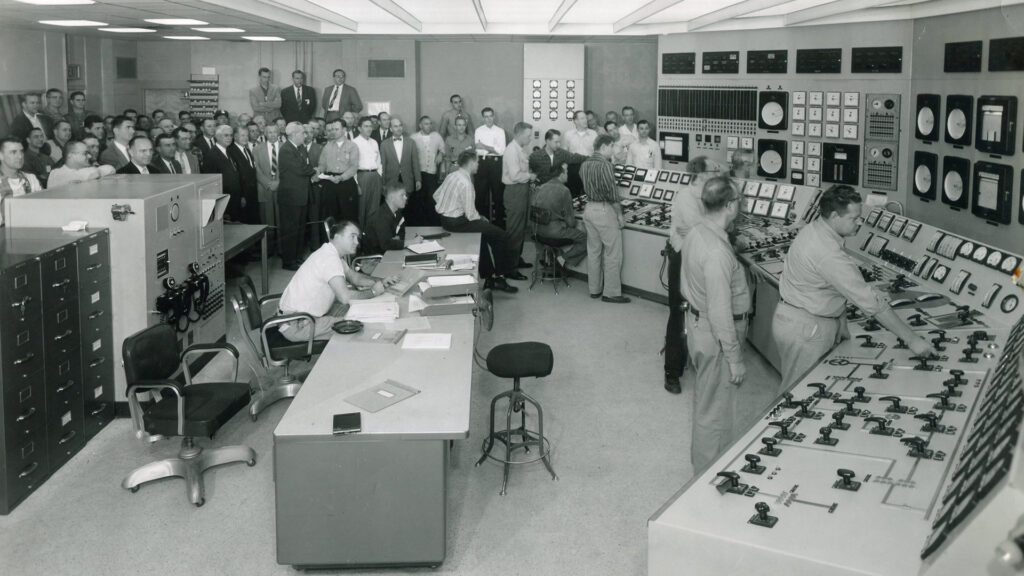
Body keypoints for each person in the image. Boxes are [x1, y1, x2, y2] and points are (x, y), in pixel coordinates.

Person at [772, 185, 937, 393]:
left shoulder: (815, 229)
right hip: (807, 329)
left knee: (807, 388)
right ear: (834, 216)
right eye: (854, 218)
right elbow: (871, 302)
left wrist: (839, 324)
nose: (859, 223)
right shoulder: (827, 252)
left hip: (795, 318)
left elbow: (830, 287)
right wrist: (913, 340)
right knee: (798, 393)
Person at [681, 176, 752, 471]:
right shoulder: (718, 253)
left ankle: (707, 469)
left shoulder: (698, 232)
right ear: (731, 205)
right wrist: (734, 358)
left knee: (708, 402)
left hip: (699, 327)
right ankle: (707, 478)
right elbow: (721, 312)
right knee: (716, 413)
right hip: (718, 336)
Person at [277, 219, 399, 342]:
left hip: (305, 316)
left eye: (358, 238)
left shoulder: (331, 254)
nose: (357, 242)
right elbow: (344, 297)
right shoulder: (329, 259)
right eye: (352, 237)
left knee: (361, 309)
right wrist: (373, 292)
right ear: (337, 237)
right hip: (299, 323)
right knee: (362, 326)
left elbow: (355, 278)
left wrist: (381, 281)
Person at [434, 150, 518, 294]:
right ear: (471, 163)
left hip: (445, 220)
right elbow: (471, 215)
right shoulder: (467, 183)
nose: (479, 165)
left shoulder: (452, 175)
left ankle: (490, 278)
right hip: (458, 223)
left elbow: (435, 195)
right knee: (502, 235)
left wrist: (451, 208)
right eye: (477, 162)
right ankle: (500, 277)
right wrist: (482, 219)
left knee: (484, 236)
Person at [664, 156, 714, 394]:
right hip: (683, 258)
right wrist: (707, 227)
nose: (716, 173)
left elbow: (710, 228)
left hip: (702, 258)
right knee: (678, 312)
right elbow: (700, 229)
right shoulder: (686, 196)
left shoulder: (709, 196)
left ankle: (695, 360)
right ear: (701, 174)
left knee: (700, 312)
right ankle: (671, 372)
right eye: (712, 170)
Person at [581, 134, 628, 304]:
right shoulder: (606, 166)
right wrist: (620, 215)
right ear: (604, 147)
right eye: (612, 147)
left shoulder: (584, 164)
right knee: (613, 253)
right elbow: (612, 194)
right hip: (604, 210)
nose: (613, 150)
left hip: (589, 209)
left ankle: (594, 289)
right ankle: (611, 293)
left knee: (593, 252)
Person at [278, 121, 318, 270]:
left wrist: (311, 169)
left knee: (300, 229)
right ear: (294, 135)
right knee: (290, 230)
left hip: (301, 196)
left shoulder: (299, 148)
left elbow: (306, 165)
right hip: (291, 198)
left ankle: (297, 257)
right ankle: (288, 261)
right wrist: (314, 171)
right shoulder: (286, 150)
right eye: (302, 133)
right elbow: (301, 168)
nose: (305, 135)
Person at [530, 163, 587, 267]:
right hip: (554, 233)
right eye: (567, 173)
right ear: (561, 175)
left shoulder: (540, 187)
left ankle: (545, 256)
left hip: (536, 231)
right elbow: (570, 222)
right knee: (586, 239)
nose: (568, 175)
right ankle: (561, 259)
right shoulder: (564, 190)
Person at [501, 121, 536, 272]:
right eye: (528, 136)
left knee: (521, 228)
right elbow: (515, 175)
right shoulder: (511, 150)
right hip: (514, 191)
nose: (530, 139)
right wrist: (531, 176)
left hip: (522, 190)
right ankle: (510, 267)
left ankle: (516, 259)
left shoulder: (520, 149)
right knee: (514, 228)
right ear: (520, 134)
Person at [317, 118, 360, 229]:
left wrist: (341, 177)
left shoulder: (352, 146)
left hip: (346, 184)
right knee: (331, 216)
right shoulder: (327, 146)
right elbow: (322, 164)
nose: (333, 132)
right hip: (330, 184)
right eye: (332, 129)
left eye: (337, 129)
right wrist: (319, 171)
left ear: (344, 129)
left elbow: (354, 167)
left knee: (348, 216)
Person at [380, 116, 421, 223]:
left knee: (408, 208)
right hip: (391, 180)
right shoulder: (384, 144)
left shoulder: (410, 142)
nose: (398, 128)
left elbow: (415, 162)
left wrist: (418, 179)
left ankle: (408, 231)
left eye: (400, 126)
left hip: (407, 179)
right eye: (395, 126)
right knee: (393, 208)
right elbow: (382, 165)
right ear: (391, 129)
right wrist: (382, 183)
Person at [200, 125, 244, 220]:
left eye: (231, 135)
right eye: (226, 135)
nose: (229, 138)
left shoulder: (229, 151)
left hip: (234, 200)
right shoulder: (211, 155)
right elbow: (210, 184)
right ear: (218, 136)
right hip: (223, 203)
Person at [473, 107, 506, 225]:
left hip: (496, 164)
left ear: (494, 116)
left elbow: (501, 151)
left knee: (498, 195)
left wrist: (485, 147)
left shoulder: (500, 131)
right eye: (486, 117)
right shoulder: (478, 130)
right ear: (483, 118)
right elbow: (478, 149)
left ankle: (499, 224)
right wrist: (492, 148)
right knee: (480, 195)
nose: (488, 119)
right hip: (482, 163)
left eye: (490, 116)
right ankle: (482, 224)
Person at [410, 115, 445, 226]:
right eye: (426, 123)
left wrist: (440, 153)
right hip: (418, 173)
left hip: (432, 173)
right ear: (420, 125)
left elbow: (443, 149)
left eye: (430, 123)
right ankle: (420, 224)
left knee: (431, 198)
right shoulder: (413, 137)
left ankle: (432, 223)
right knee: (419, 198)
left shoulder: (437, 136)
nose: (429, 126)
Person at [0, 138, 42, 226]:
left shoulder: (31, 179)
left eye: (21, 151)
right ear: (1, 155)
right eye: (13, 152)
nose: (20, 156)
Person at [353, 116, 384, 228]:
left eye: (370, 126)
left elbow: (379, 161)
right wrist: (356, 184)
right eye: (366, 126)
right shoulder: (354, 143)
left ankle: (372, 237)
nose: (369, 129)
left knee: (374, 208)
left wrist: (379, 176)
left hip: (375, 176)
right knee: (362, 208)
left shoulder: (374, 142)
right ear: (359, 128)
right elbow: (353, 165)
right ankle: (361, 238)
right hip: (362, 177)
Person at [47, 141, 115, 188]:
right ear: (71, 155)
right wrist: (95, 171)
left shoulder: (86, 170)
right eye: (85, 153)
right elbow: (83, 175)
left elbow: (110, 168)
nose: (89, 156)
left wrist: (97, 172)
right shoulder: (56, 173)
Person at [363, 185, 407, 256]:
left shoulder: (397, 213)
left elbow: (402, 232)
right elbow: (386, 245)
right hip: (374, 259)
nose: (406, 198)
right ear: (392, 198)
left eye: (405, 195)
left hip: (387, 254)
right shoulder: (380, 216)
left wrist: (395, 241)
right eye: (402, 195)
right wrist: (411, 242)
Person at [229, 126, 260, 224]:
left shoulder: (246, 149)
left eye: (247, 135)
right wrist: (241, 196)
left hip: (252, 194)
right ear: (235, 136)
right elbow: (235, 176)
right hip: (243, 196)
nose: (245, 138)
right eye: (242, 135)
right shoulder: (231, 151)